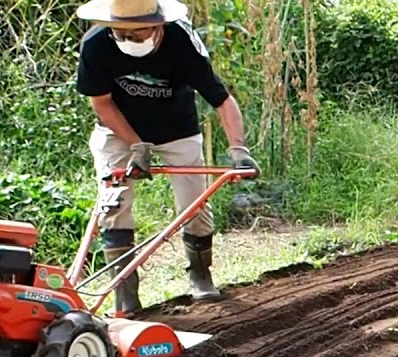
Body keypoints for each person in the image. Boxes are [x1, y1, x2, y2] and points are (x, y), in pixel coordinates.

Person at [74, 0, 260, 316]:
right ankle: (125, 295)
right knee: (113, 206)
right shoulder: (95, 44)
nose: (128, 39)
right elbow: (101, 103)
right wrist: (136, 145)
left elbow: (221, 100)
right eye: (121, 32)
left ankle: (201, 276)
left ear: (158, 25)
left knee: (195, 206)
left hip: (177, 130)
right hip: (118, 131)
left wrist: (238, 148)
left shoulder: (181, 41)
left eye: (138, 32)